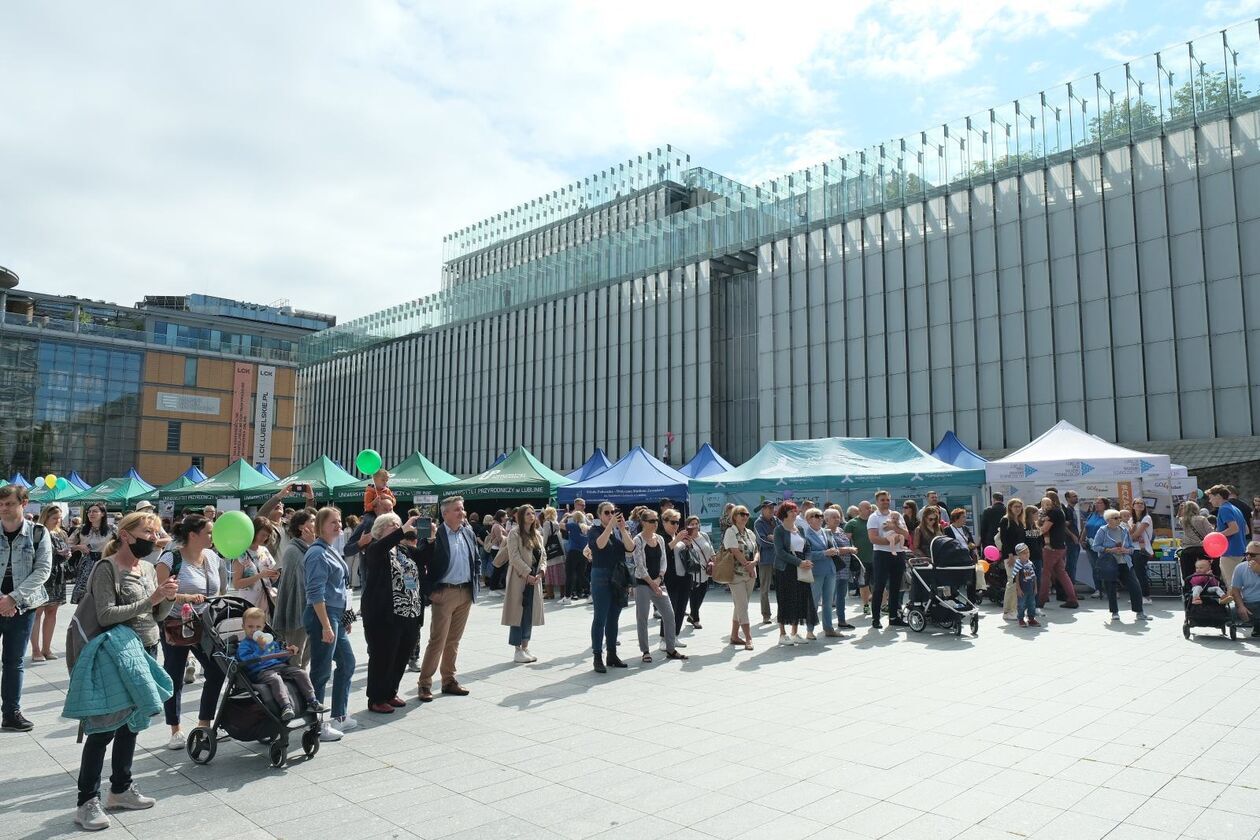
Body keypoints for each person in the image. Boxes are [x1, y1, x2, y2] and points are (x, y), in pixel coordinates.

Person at [69, 509, 178, 831]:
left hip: (145, 650)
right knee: (103, 729)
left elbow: (155, 617)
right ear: (126, 535)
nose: (153, 539)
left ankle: (120, 789)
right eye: (148, 533)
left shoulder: (146, 567)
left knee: (132, 724)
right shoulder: (107, 568)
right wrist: (152, 599)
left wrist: (166, 599)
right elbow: (105, 615)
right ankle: (86, 801)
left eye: (156, 533)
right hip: (116, 655)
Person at [155, 515, 223, 750]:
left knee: (217, 670)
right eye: (209, 532)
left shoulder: (213, 558)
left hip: (206, 623)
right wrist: (187, 598)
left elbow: (219, 590)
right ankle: (175, 729)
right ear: (193, 535)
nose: (213, 537)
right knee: (174, 675)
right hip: (176, 623)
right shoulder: (170, 558)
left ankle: (204, 723)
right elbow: (162, 592)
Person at [415, 495, 480, 700]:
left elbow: (475, 559)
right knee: (438, 640)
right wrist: (430, 591)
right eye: (457, 509)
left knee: (454, 641)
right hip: (444, 592)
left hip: (465, 593)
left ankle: (449, 680)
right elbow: (420, 560)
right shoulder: (435, 532)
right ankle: (425, 684)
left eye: (462, 509)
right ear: (445, 514)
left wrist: (474, 585)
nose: (462, 512)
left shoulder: (468, 532)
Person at [0, 485, 51, 732]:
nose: (3, 508)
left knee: (14, 662)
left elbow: (43, 570)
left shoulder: (39, 533)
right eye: (0, 504)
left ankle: (11, 713)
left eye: (9, 503)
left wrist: (13, 599)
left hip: (23, 607)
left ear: (24, 503)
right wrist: (2, 599)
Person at [361, 512, 424, 714]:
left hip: (409, 612)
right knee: (383, 656)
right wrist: (401, 530)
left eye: (399, 524)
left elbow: (425, 557)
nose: (398, 527)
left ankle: (390, 692)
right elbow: (379, 548)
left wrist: (430, 538)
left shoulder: (404, 549)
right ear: (380, 530)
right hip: (384, 614)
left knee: (401, 655)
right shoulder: (375, 548)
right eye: (393, 525)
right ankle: (376, 698)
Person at [304, 506, 357, 740]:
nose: (338, 525)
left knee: (347, 662)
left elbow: (340, 589)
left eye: (339, 521)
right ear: (320, 526)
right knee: (321, 670)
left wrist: (344, 618)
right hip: (322, 615)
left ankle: (339, 715)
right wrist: (326, 625)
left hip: (334, 614)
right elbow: (316, 593)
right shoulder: (317, 553)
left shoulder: (329, 548)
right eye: (332, 522)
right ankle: (315, 724)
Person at [235, 607, 323, 721]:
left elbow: (279, 656)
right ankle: (286, 706)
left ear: (263, 627)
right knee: (276, 680)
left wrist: (288, 652)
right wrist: (260, 649)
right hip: (260, 671)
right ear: (243, 627)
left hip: (278, 666)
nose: (254, 630)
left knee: (301, 673)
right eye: (250, 627)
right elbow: (247, 661)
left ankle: (312, 700)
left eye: (258, 627)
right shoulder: (244, 645)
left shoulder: (269, 641)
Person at [631, 511, 686, 662]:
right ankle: (645, 651)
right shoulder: (638, 539)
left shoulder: (660, 538)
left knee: (669, 615)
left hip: (659, 582)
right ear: (643, 522)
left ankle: (670, 648)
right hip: (643, 583)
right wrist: (651, 582)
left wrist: (660, 578)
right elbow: (640, 565)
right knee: (642, 617)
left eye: (656, 520)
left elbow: (664, 561)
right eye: (651, 521)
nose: (655, 523)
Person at [589, 501, 634, 673]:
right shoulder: (595, 531)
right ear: (600, 515)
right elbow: (599, 545)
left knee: (614, 617)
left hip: (618, 577)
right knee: (600, 618)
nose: (610, 515)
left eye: (613, 512)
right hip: (601, 576)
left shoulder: (617, 533)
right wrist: (610, 526)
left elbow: (630, 548)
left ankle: (612, 654)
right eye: (607, 513)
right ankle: (597, 656)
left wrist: (622, 528)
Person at [502, 505, 547, 664]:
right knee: (518, 613)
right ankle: (517, 649)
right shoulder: (514, 534)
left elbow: (543, 556)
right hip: (519, 578)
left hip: (535, 579)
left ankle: (526, 646)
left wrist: (541, 571)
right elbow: (513, 557)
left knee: (530, 612)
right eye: (528, 513)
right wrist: (527, 573)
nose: (531, 515)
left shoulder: (538, 535)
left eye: (533, 513)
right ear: (520, 516)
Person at [272, 509, 316, 668]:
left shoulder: (310, 547)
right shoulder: (293, 550)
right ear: (301, 527)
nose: (315, 523)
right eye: (312, 520)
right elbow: (294, 586)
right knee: (295, 661)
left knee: (304, 660)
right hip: (297, 613)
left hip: (310, 611)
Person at [1091, 508, 1148, 624]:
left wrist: (1126, 550)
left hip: (1125, 562)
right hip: (1109, 563)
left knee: (1135, 587)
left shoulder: (1124, 530)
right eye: (1115, 518)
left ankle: (1139, 612)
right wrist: (1109, 550)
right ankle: (1114, 612)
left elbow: (1132, 547)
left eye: (1119, 518)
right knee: (1111, 589)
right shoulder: (1102, 530)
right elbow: (1095, 546)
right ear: (1108, 520)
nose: (1118, 520)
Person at [29, 505, 71, 662]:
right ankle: (36, 649)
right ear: (46, 517)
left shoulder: (62, 533)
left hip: (58, 575)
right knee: (37, 612)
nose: (58, 520)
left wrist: (67, 553)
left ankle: (47, 648)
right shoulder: (38, 531)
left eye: (59, 517)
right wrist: (55, 553)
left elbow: (67, 549)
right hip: (42, 575)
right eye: (55, 518)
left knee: (52, 612)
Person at [772, 502, 816, 645]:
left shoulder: (800, 529)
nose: (794, 513)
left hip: (801, 568)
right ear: (784, 513)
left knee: (799, 599)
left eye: (795, 510)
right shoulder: (779, 530)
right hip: (785, 569)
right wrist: (799, 562)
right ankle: (782, 634)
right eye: (791, 511)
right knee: (785, 599)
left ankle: (795, 633)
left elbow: (807, 547)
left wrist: (807, 561)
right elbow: (780, 552)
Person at [867, 491, 909, 629]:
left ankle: (893, 617)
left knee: (896, 587)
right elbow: (873, 538)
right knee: (879, 587)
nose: (885, 502)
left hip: (898, 554)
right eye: (882, 500)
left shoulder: (897, 516)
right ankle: (876, 618)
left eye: (887, 500)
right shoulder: (874, 517)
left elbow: (906, 534)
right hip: (881, 555)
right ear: (877, 502)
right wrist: (891, 540)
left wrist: (895, 528)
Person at [801, 508, 842, 639]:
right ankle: (809, 629)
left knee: (828, 601)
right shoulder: (806, 535)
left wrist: (835, 551)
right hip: (816, 572)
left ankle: (829, 628)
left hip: (830, 570)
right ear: (808, 520)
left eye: (821, 515)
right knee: (813, 601)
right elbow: (806, 555)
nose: (819, 518)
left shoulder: (827, 532)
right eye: (816, 516)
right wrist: (825, 553)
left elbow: (834, 546)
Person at [722, 506, 759, 649]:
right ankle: (748, 638)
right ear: (734, 516)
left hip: (750, 574)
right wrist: (748, 565)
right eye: (741, 514)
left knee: (740, 605)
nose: (745, 516)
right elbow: (735, 551)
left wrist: (754, 562)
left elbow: (756, 550)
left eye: (747, 514)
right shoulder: (730, 532)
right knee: (743, 606)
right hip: (736, 574)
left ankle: (734, 636)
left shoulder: (750, 533)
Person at [230, 516, 281, 613]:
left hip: (266, 601)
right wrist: (260, 576)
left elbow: (269, 578)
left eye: (267, 535)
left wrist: (274, 576)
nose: (264, 538)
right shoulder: (241, 553)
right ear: (254, 532)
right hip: (249, 604)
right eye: (262, 534)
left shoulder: (264, 550)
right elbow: (236, 584)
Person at [68, 503, 114, 606]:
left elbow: (123, 543)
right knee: (84, 596)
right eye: (89, 512)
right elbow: (67, 545)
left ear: (102, 514)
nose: (91, 514)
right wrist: (79, 547)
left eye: (95, 511)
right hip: (86, 564)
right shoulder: (81, 529)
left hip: (105, 562)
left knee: (104, 593)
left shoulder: (112, 529)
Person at [1039, 494, 1079, 609]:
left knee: (1045, 573)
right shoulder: (1059, 511)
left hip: (1051, 547)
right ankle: (1072, 599)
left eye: (1046, 502)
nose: (1044, 505)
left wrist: (1030, 533)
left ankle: (1041, 600)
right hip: (1060, 546)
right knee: (1062, 573)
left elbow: (1045, 529)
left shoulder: (1053, 513)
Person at [823, 508, 858, 631]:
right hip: (833, 568)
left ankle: (842, 621)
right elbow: (834, 550)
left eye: (838, 516)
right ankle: (827, 625)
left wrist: (850, 548)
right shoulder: (825, 532)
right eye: (834, 517)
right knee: (829, 598)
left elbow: (846, 544)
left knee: (841, 596)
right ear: (826, 519)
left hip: (844, 568)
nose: (837, 519)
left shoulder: (841, 530)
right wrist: (849, 549)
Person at [662, 512, 693, 644]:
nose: (676, 525)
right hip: (670, 578)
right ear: (664, 522)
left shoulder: (677, 536)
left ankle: (675, 636)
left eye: (677, 522)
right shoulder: (661, 536)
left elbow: (686, 556)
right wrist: (677, 540)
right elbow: (663, 552)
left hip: (684, 577)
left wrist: (688, 545)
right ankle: (664, 639)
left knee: (681, 608)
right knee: (669, 610)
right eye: (672, 522)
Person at [1209, 485, 1248, 585]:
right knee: (1240, 583)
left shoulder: (1224, 509)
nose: (1209, 501)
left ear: (1218, 496)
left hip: (1229, 552)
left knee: (1232, 585)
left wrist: (1216, 536)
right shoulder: (1235, 509)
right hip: (1241, 550)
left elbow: (1234, 529)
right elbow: (1246, 530)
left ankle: (1237, 601)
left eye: (1211, 497)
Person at [996, 499, 1027, 620]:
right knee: (1012, 582)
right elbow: (1005, 539)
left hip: (1019, 555)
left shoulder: (1019, 521)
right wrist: (1009, 555)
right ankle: (1008, 611)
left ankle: (1014, 609)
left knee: (1017, 582)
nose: (1018, 509)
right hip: (1010, 556)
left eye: (1020, 506)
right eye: (1015, 506)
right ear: (1010, 507)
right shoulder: (1005, 520)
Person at [683, 516, 714, 629]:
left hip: (705, 570)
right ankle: (696, 619)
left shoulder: (704, 535)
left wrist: (714, 559)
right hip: (693, 571)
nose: (695, 526)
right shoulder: (686, 538)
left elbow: (710, 549)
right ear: (687, 525)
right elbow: (686, 553)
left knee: (702, 594)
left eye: (697, 523)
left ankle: (692, 615)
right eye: (692, 524)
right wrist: (688, 543)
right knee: (694, 596)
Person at [844, 502, 874, 617]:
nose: (870, 509)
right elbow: (846, 540)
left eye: (870, 507)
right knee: (863, 584)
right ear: (859, 510)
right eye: (867, 508)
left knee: (878, 584)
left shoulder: (874, 521)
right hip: (861, 560)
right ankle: (866, 606)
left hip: (877, 558)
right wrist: (851, 550)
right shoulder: (852, 523)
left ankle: (881, 605)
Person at [1228, 542, 1260, 636]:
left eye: (1253, 555)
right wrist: (1241, 606)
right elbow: (1235, 590)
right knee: (1229, 612)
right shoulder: (1240, 567)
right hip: (1249, 604)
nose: (1249, 557)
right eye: (1246, 554)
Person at [753, 501, 777, 624]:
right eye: (768, 508)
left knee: (782, 587)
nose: (771, 510)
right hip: (766, 559)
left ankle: (782, 613)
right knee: (765, 589)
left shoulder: (776, 520)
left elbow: (783, 536)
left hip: (779, 558)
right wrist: (776, 541)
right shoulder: (758, 523)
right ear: (763, 509)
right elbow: (762, 541)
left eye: (772, 507)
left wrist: (773, 537)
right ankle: (766, 615)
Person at [1128, 498, 1154, 604]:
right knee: (1134, 574)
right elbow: (1129, 535)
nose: (1139, 505)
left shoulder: (1146, 518)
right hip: (1132, 549)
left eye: (1142, 503)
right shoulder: (1131, 520)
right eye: (1137, 503)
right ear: (1133, 506)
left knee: (1140, 574)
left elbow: (1135, 536)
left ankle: (1146, 596)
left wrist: (1132, 534)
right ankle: (1138, 596)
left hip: (1142, 550)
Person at [564, 509, 590, 603]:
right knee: (581, 575)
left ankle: (567, 597)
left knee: (570, 574)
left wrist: (566, 517)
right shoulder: (587, 528)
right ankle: (591, 593)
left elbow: (559, 526)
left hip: (573, 552)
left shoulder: (573, 525)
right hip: (584, 554)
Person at [539, 507, 565, 600]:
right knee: (560, 572)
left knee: (549, 573)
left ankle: (550, 593)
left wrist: (542, 547)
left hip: (550, 551)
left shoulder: (546, 523)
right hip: (558, 550)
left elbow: (545, 537)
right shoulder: (556, 523)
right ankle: (563, 593)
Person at [1012, 543, 1039, 628]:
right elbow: (1016, 578)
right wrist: (1018, 589)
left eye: (1028, 552)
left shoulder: (1030, 563)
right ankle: (1020, 619)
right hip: (1022, 589)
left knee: (1032, 604)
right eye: (1024, 553)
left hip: (1030, 588)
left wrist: (1035, 588)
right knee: (1021, 605)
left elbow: (1034, 576)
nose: (1027, 555)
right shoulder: (1018, 564)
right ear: (1019, 555)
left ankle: (1031, 618)